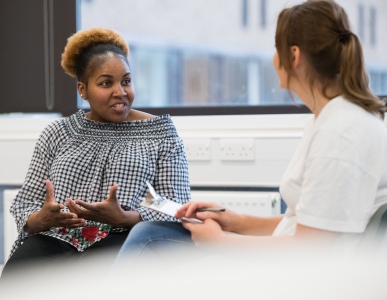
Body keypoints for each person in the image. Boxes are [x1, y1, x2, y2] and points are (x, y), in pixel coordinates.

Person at [113, 0, 387, 267]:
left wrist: (220, 242)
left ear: (294, 56)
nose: (273, 59)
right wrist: (235, 221)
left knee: (148, 239)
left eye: (276, 49)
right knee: (149, 234)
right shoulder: (331, 120)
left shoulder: (341, 133)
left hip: (303, 274)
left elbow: (310, 247)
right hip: (293, 260)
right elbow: (304, 223)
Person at [0, 27, 190, 295]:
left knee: (92, 285)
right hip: (56, 236)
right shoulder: (58, 133)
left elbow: (174, 206)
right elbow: (26, 203)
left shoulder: (161, 134)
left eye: (126, 81)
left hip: (122, 237)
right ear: (83, 89)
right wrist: (40, 218)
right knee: (17, 280)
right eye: (105, 83)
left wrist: (125, 217)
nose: (120, 92)